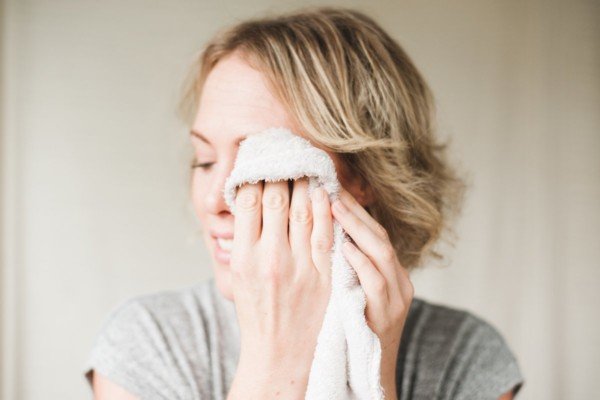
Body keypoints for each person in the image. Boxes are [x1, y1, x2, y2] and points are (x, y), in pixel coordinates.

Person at [83, 6, 525, 400]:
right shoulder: (146, 344)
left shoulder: (466, 358)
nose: (215, 200)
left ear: (365, 177)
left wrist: (374, 370)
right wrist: (275, 361)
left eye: (255, 165)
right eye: (204, 161)